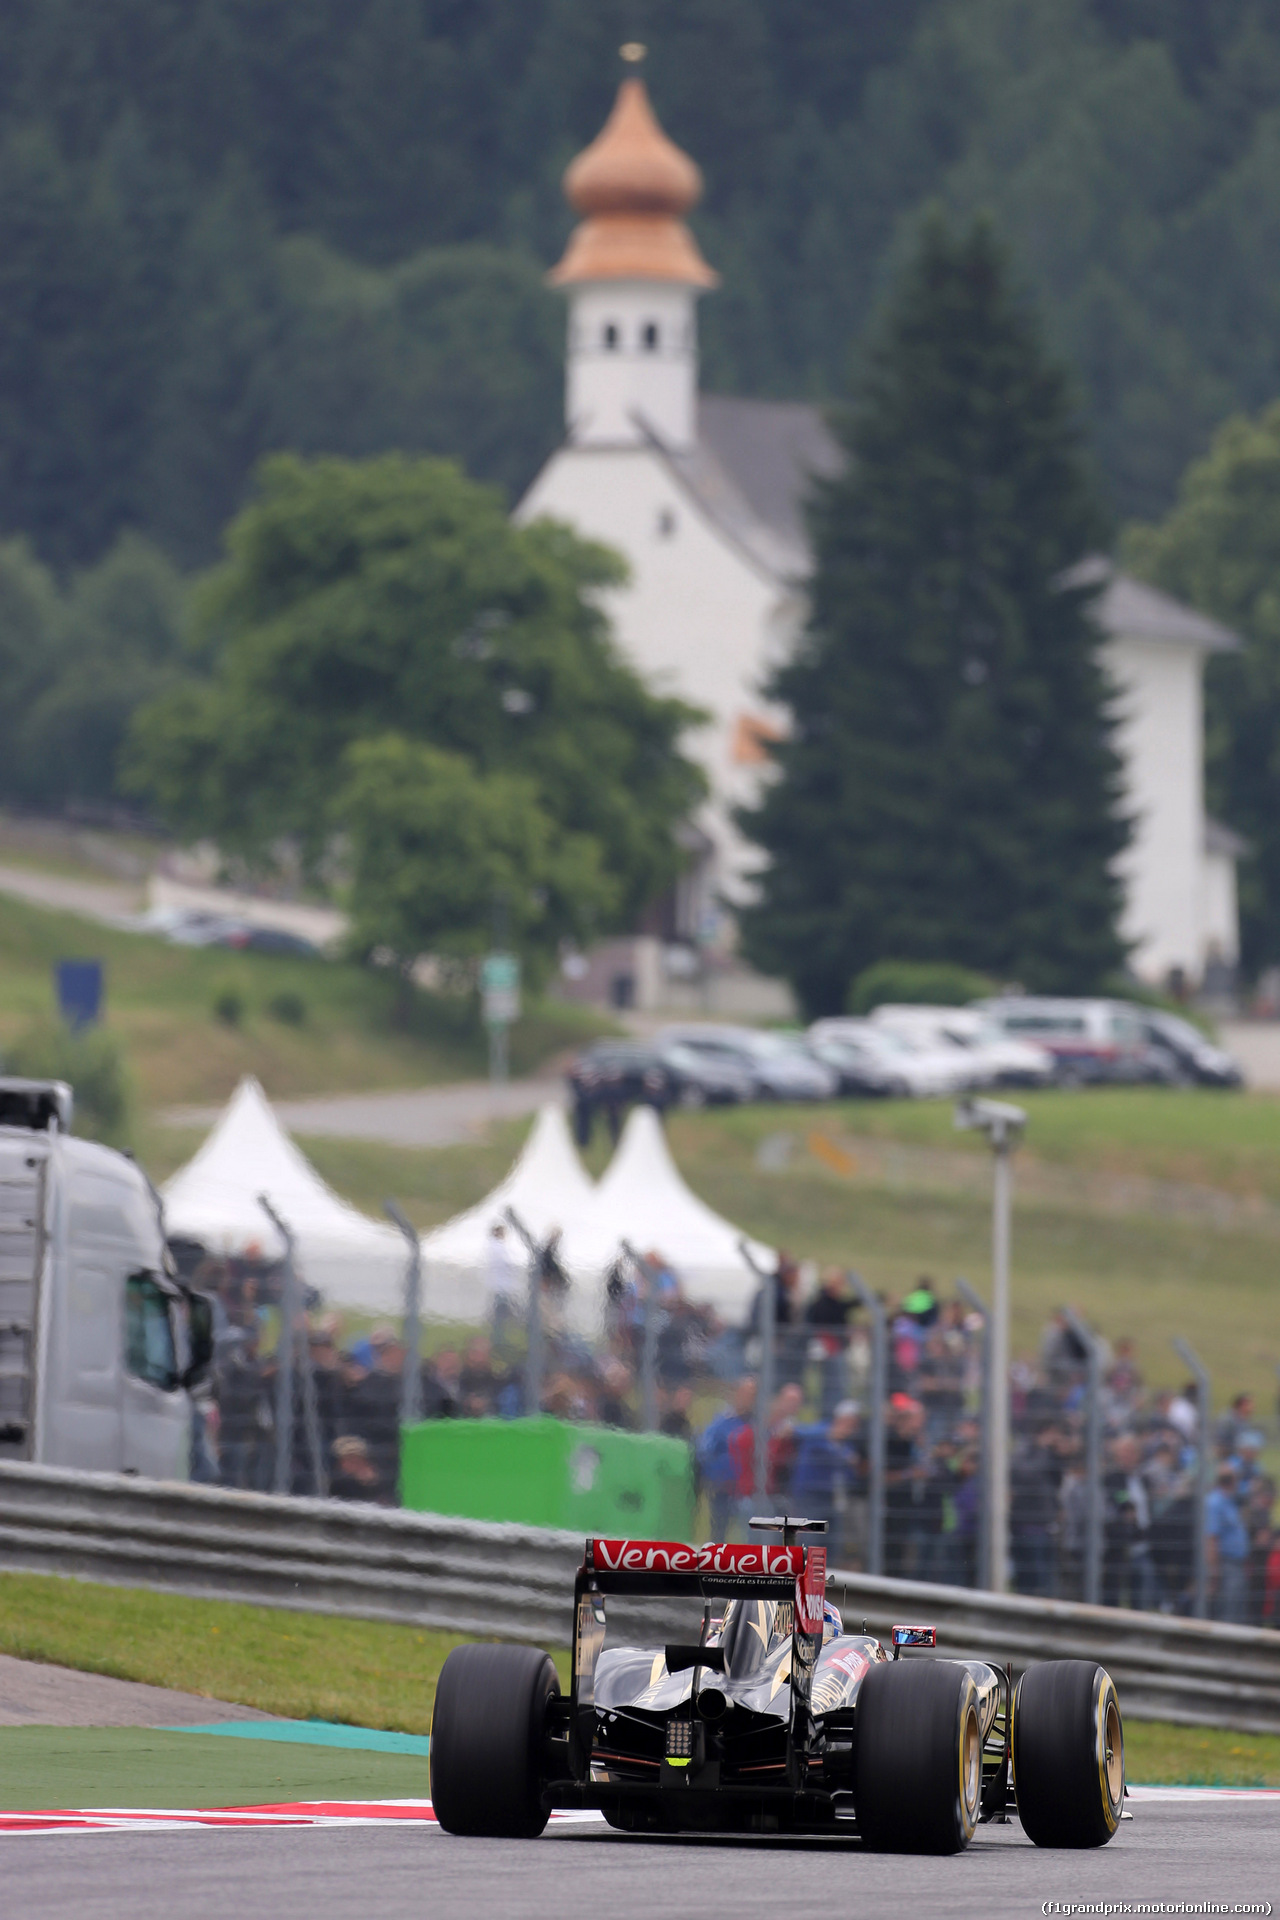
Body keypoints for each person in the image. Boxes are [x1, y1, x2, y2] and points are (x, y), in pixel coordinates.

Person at [697, 1378, 756, 1541]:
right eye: (745, 1393)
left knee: (751, 1534)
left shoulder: (756, 1424)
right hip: (724, 1487)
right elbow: (705, 1450)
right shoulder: (721, 1422)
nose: (749, 1399)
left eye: (752, 1395)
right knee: (719, 1532)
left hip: (749, 1490)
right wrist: (716, 1476)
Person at [1206, 1462, 1250, 1623]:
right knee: (1228, 1611)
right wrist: (1214, 1572)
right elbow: (1211, 1538)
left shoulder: (1230, 1501)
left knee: (1237, 1609)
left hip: (1237, 1564)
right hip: (1226, 1564)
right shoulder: (1215, 1503)